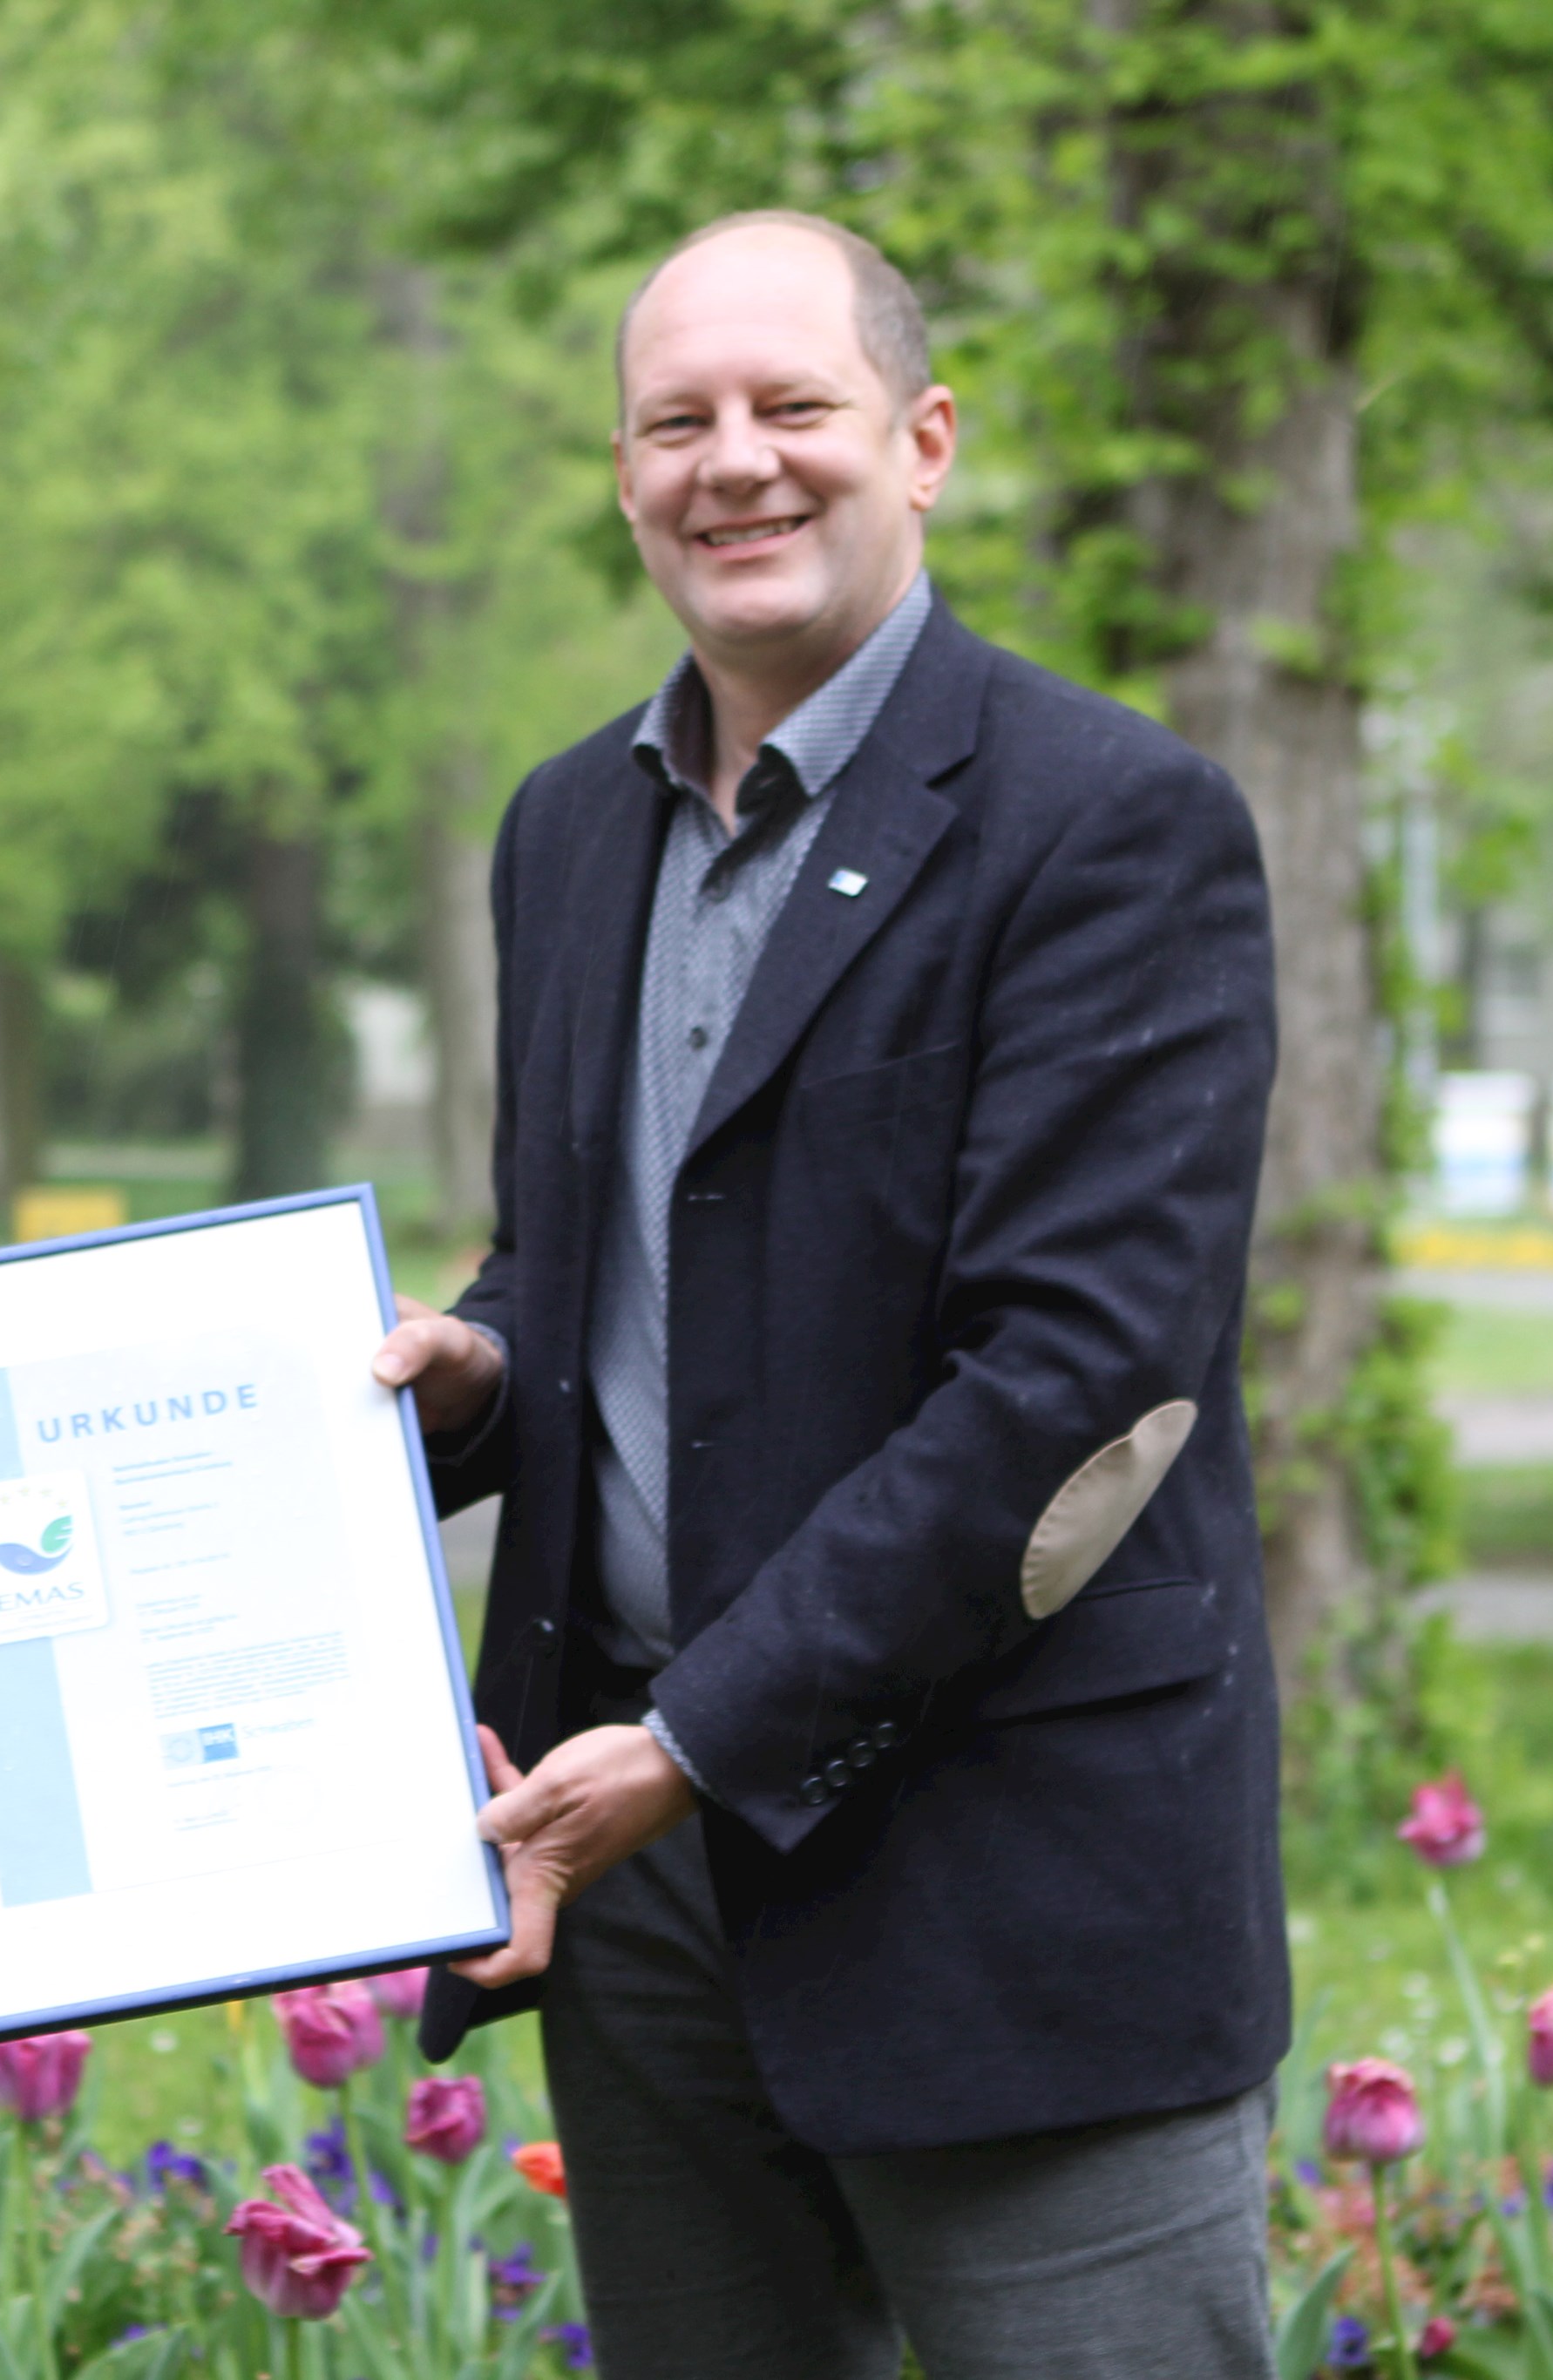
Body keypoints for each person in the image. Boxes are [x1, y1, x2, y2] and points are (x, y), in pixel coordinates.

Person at [368, 211, 1288, 2377]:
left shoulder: (1108, 825)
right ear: (621, 474)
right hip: (643, 1893)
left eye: (794, 408)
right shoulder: (561, 834)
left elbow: (1071, 1378)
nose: (736, 464)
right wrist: (467, 1368)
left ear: (924, 441)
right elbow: (574, 1265)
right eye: (677, 421)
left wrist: (693, 1740)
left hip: (1004, 1863)